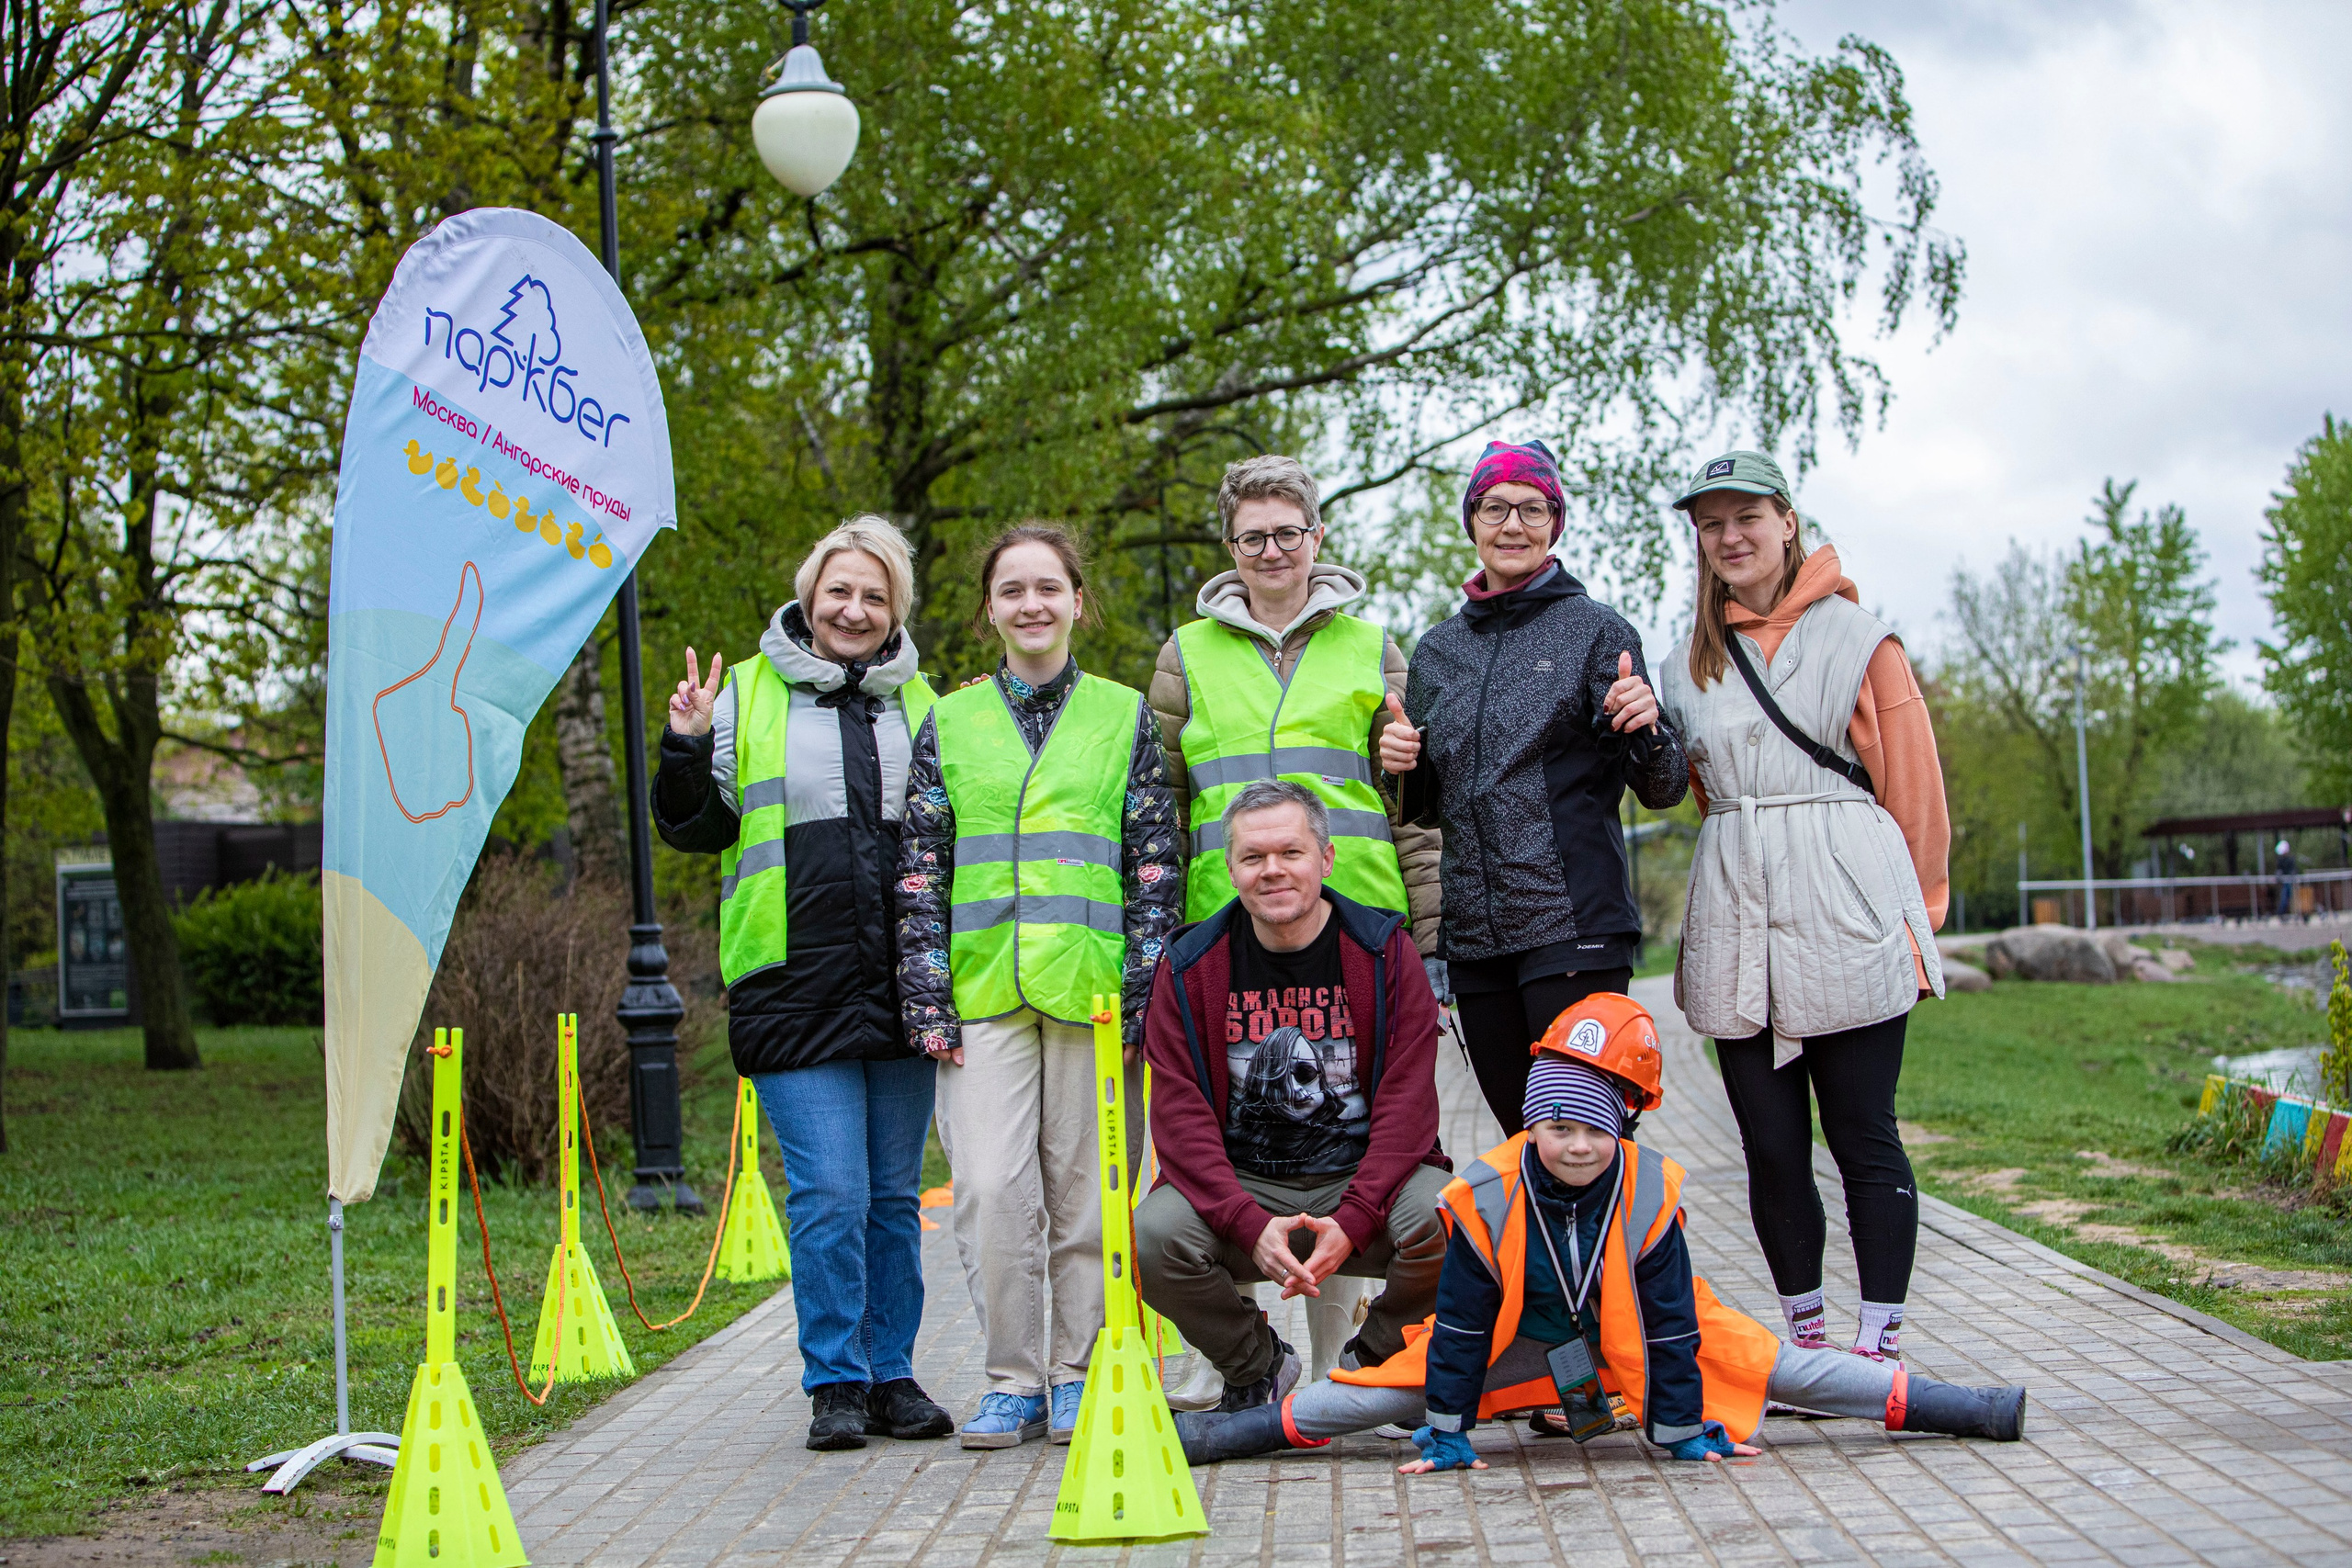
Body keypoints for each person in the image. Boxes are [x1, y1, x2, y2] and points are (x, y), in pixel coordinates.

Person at [1169, 996, 2027, 1468]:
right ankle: (1219, 1438)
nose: (1576, 1144)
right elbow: (1460, 1326)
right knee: (1367, 1398)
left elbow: (1675, 1325)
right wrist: (1450, 1431)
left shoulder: (1653, 1191)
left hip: (1633, 1342)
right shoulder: (1485, 1192)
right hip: (1514, 1346)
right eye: (1557, 1126)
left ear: (1625, 1124)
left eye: (1595, 1128)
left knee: (1783, 1366)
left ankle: (1956, 1406)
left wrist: (1680, 1428)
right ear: (1530, 1123)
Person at [652, 515, 954, 1451]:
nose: (854, 610)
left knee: (893, 1198)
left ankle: (891, 1372)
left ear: (896, 609)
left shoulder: (927, 705)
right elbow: (693, 829)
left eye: (874, 596)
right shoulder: (743, 694)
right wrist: (685, 744)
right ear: (809, 598)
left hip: (903, 982)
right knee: (830, 1194)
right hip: (791, 981)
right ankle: (835, 1380)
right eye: (839, 592)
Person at [1147, 453, 1442, 1391]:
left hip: (1358, 927)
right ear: (1228, 545)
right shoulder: (1184, 655)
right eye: (1252, 536)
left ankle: (1335, 1367)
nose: (1271, 551)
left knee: (1343, 1132)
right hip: (1224, 931)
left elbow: (1412, 808)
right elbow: (1161, 807)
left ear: (1317, 537)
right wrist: (1162, 940)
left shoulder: (1374, 648)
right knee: (1244, 1138)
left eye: (1287, 532)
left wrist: (1429, 941)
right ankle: (1238, 1361)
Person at [1655, 450, 1950, 1364]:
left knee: (1862, 1133)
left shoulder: (1862, 642)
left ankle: (1879, 1342)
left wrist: (1915, 920)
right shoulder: (1685, 665)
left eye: (1747, 516)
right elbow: (1701, 791)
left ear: (1787, 522)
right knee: (1772, 1146)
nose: (1730, 536)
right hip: (1737, 913)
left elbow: (1913, 791)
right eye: (1711, 524)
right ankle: (1808, 1340)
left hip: (1849, 904)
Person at [895, 523, 1183, 1449]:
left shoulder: (1124, 715)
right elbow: (921, 869)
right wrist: (927, 995)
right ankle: (1010, 1377)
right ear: (989, 609)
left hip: (1096, 997)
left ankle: (1077, 1372)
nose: (1031, 604)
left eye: (1048, 587)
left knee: (1090, 1195)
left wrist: (1145, 992)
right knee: (986, 1188)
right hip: (982, 993)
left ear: (1076, 602)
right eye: (1012, 589)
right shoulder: (949, 721)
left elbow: (1153, 863)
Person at [1379, 438, 1688, 1134]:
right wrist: (1399, 766)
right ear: (1472, 522)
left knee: (1584, 1136)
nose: (1512, 524)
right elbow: (1421, 810)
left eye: (1532, 508)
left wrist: (1648, 726)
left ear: (1555, 523)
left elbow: (1664, 787)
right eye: (1495, 508)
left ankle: (1625, 1217)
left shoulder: (1596, 631)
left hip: (1572, 929)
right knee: (1521, 1141)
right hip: (1476, 943)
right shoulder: (1438, 651)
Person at [1133, 779, 1452, 1415]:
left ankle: (1371, 1365)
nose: (1272, 870)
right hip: (1245, 1186)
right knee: (1151, 1238)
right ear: (1231, 870)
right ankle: (1258, 1367)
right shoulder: (1189, 964)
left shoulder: (1384, 951)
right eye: (1253, 857)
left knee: (1456, 1218)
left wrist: (1356, 1217)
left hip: (1363, 1181)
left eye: (1290, 852)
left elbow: (1408, 1106)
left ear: (1326, 859)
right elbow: (1179, 1117)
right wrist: (1246, 1224)